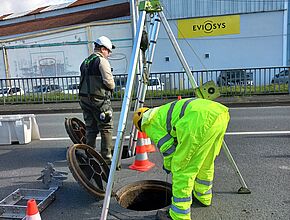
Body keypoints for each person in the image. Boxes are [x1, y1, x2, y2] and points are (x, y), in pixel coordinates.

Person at [133, 98, 230, 220]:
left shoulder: (149, 123)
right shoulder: (160, 112)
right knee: (205, 161)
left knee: (181, 169)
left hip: (198, 121)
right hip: (219, 113)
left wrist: (169, 166)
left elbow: (168, 148)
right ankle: (203, 196)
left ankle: (179, 215)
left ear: (139, 125)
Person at [79, 36, 115, 164]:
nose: (109, 54)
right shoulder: (101, 61)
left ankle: (90, 155)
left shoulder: (85, 61)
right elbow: (109, 82)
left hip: (84, 99)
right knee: (106, 126)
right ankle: (107, 158)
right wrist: (113, 86)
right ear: (103, 49)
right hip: (99, 99)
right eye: (108, 51)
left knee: (91, 127)